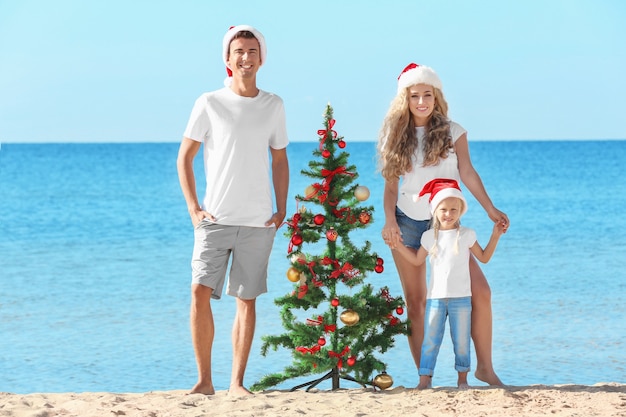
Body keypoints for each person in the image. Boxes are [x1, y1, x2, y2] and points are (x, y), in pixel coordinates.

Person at [377, 63, 509, 386]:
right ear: (404, 100)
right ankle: (427, 379)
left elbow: (468, 173)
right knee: (418, 302)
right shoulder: (394, 137)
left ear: (436, 97)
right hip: (407, 223)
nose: (422, 102)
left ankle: (485, 368)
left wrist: (490, 209)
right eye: (414, 96)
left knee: (481, 292)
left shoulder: (454, 132)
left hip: (448, 225)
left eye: (427, 95)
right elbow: (391, 187)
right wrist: (390, 221)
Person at [176, 24, 289, 396]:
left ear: (261, 58)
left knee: (247, 300)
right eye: (238, 51)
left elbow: (279, 160)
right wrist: (194, 208)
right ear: (227, 58)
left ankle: (236, 383)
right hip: (216, 218)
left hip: (258, 220)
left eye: (252, 51)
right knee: (198, 291)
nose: (245, 57)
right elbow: (185, 158)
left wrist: (281, 206)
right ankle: (204, 380)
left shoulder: (273, 105)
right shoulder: (209, 102)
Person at [391, 178, 505, 389]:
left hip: (461, 298)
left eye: (454, 209)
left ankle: (463, 381)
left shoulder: (466, 235)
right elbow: (416, 260)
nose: (448, 214)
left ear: (461, 211)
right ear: (435, 210)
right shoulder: (428, 237)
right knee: (430, 342)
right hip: (435, 299)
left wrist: (495, 235)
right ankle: (424, 381)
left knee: (461, 342)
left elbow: (484, 257)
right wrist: (397, 245)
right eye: (443, 209)